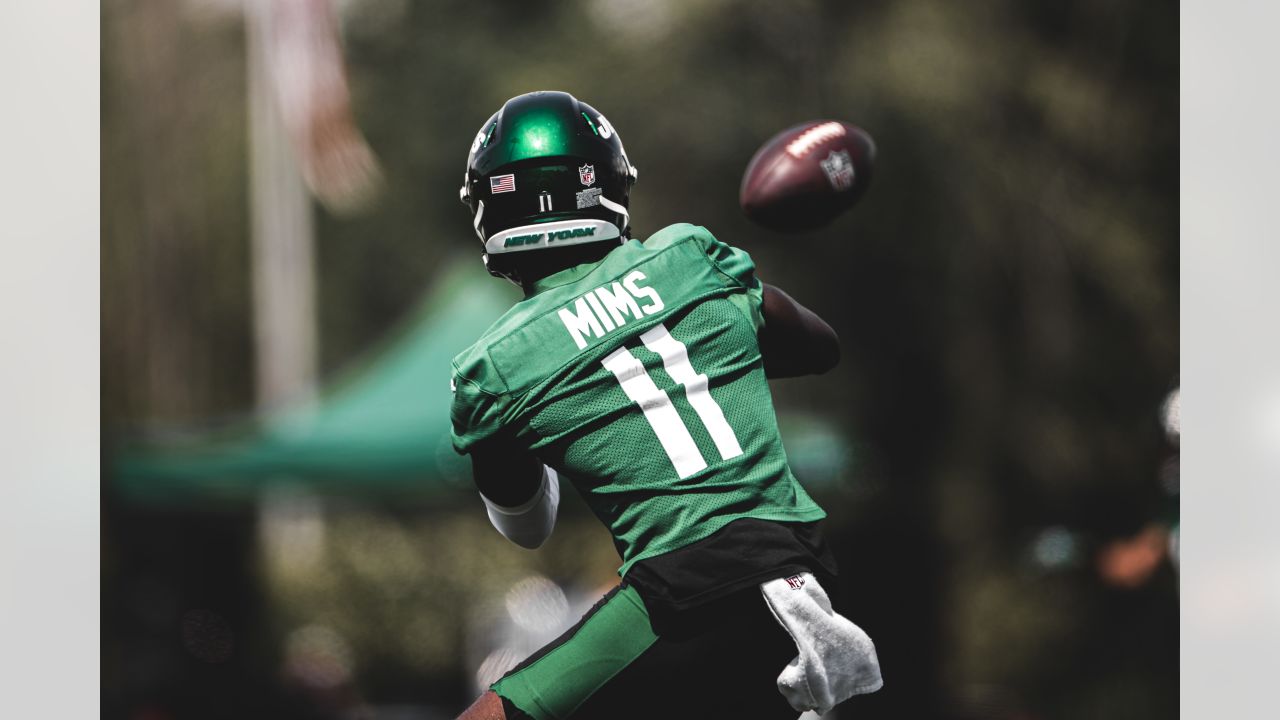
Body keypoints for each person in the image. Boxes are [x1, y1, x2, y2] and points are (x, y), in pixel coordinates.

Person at [450, 91, 882, 720]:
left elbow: (528, 526)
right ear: (610, 185)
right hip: (801, 574)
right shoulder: (693, 256)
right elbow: (819, 346)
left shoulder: (492, 367)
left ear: (489, 208)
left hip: (681, 597)